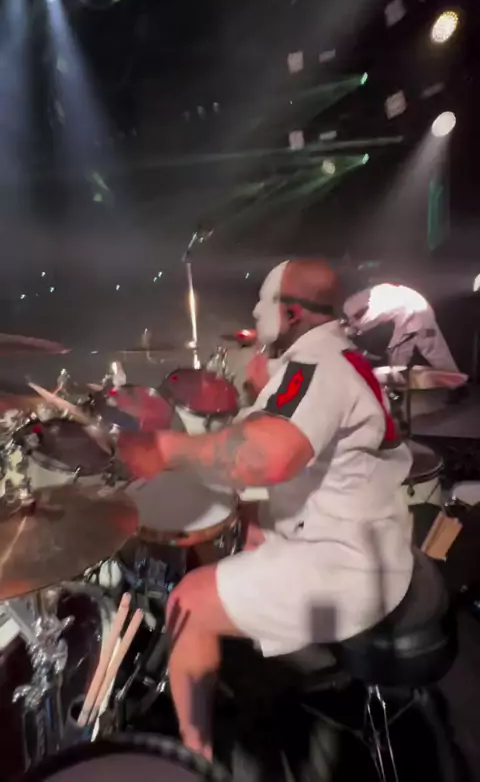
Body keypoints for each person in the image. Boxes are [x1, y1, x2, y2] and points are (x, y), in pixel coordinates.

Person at [118, 259, 414, 761]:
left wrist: (166, 449)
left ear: (291, 314)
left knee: (187, 602)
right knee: (231, 543)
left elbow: (268, 456)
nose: (255, 317)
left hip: (348, 566)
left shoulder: (316, 365)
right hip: (374, 538)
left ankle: (195, 760)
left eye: (263, 305)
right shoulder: (340, 355)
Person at [343, 282, 460, 373]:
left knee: (434, 350)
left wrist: (353, 330)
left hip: (418, 314)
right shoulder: (371, 296)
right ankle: (396, 385)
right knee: (398, 352)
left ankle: (457, 383)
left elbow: (369, 320)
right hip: (408, 317)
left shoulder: (375, 302)